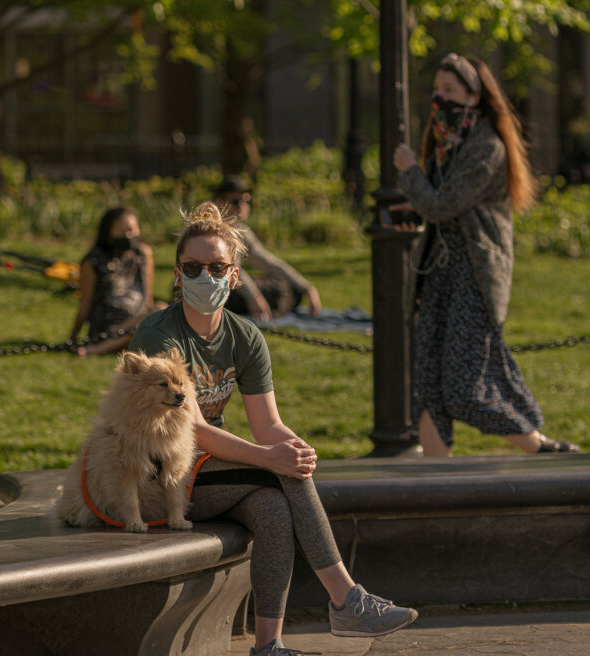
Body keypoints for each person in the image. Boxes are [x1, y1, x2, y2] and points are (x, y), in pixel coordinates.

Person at [128, 201, 418, 656]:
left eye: (217, 266)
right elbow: (195, 433)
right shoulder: (160, 336)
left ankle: (270, 646)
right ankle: (346, 599)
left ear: (235, 275)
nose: (206, 276)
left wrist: (295, 448)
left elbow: (269, 426)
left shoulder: (245, 337)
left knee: (274, 506)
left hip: (207, 474)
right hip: (159, 478)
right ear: (179, 275)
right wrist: (273, 459)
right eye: (193, 267)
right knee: (276, 472)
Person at [392, 53, 579, 456]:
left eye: (450, 90)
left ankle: (540, 448)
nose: (439, 98)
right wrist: (414, 203)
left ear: (475, 96)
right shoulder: (446, 142)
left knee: (463, 388)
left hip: (474, 278)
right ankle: (434, 483)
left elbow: (442, 204)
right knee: (428, 382)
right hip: (438, 277)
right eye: (437, 89)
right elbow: (439, 206)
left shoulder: (486, 146)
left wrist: (410, 172)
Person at [212, 175, 322, 321]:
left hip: (232, 288)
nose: (243, 206)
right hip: (213, 292)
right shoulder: (213, 231)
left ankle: (275, 306)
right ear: (220, 202)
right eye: (236, 201)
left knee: (286, 285)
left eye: (246, 201)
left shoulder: (240, 230)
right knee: (280, 291)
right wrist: (255, 297)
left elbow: (265, 260)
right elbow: (229, 270)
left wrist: (307, 287)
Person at [67, 207, 166, 357]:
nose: (129, 236)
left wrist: (154, 321)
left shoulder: (143, 254)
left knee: (162, 309)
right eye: (122, 232)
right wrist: (72, 337)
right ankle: (94, 350)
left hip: (138, 322)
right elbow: (85, 304)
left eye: (132, 231)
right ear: (108, 234)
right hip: (108, 328)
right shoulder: (93, 261)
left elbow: (147, 297)